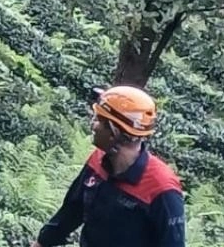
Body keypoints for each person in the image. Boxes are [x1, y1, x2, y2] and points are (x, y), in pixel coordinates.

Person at [31, 86, 185, 247]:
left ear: (114, 131)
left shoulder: (161, 188)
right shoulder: (97, 160)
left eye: (98, 120)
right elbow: (71, 212)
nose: (93, 125)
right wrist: (42, 243)